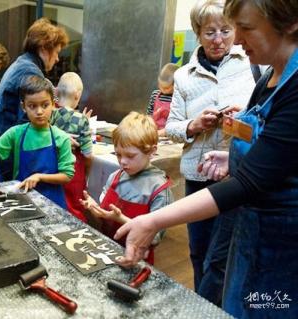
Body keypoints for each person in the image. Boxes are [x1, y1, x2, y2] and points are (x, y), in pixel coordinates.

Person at [116, 0, 298, 318]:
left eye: (245, 28)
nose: (235, 40)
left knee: (268, 307)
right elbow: (270, 149)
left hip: (281, 250)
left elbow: (250, 182)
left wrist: (154, 220)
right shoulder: (270, 76)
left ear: (291, 23)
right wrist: (232, 157)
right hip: (250, 235)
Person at [164, 0, 256, 305]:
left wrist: (243, 117)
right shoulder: (183, 76)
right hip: (196, 173)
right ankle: (204, 304)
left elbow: (264, 119)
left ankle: (203, 308)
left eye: (225, 30)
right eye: (210, 32)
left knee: (219, 258)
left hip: (234, 174)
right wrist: (193, 124)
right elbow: (171, 127)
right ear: (197, 34)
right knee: (198, 250)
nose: (219, 39)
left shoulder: (250, 65)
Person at [79, 112, 172, 264]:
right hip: (107, 251)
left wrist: (120, 219)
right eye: (118, 154)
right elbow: (103, 220)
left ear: (152, 151)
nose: (122, 161)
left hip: (136, 259)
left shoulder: (159, 190)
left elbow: (154, 238)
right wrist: (94, 210)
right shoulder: (116, 176)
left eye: (130, 156)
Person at [0, 18, 69, 181]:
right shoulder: (29, 72)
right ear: (44, 48)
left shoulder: (22, 63)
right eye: (57, 52)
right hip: (10, 155)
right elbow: (31, 123)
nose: (58, 59)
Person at [0, 75, 74, 209]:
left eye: (45, 105)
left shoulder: (61, 138)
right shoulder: (16, 133)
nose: (39, 111)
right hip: (23, 201)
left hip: (54, 203)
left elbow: (67, 175)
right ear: (23, 107)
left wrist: (39, 177)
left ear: (53, 104)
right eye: (32, 106)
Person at [50, 72, 93, 222]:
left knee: (58, 202)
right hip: (73, 169)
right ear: (77, 95)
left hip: (54, 166)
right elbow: (87, 154)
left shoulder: (51, 114)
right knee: (75, 206)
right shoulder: (81, 120)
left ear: (56, 92)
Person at [146, 63, 179, 137]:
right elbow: (149, 113)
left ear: (176, 85)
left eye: (166, 88)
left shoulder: (177, 98)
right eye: (160, 85)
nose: (162, 89)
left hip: (169, 134)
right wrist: (148, 126)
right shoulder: (155, 94)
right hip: (154, 131)